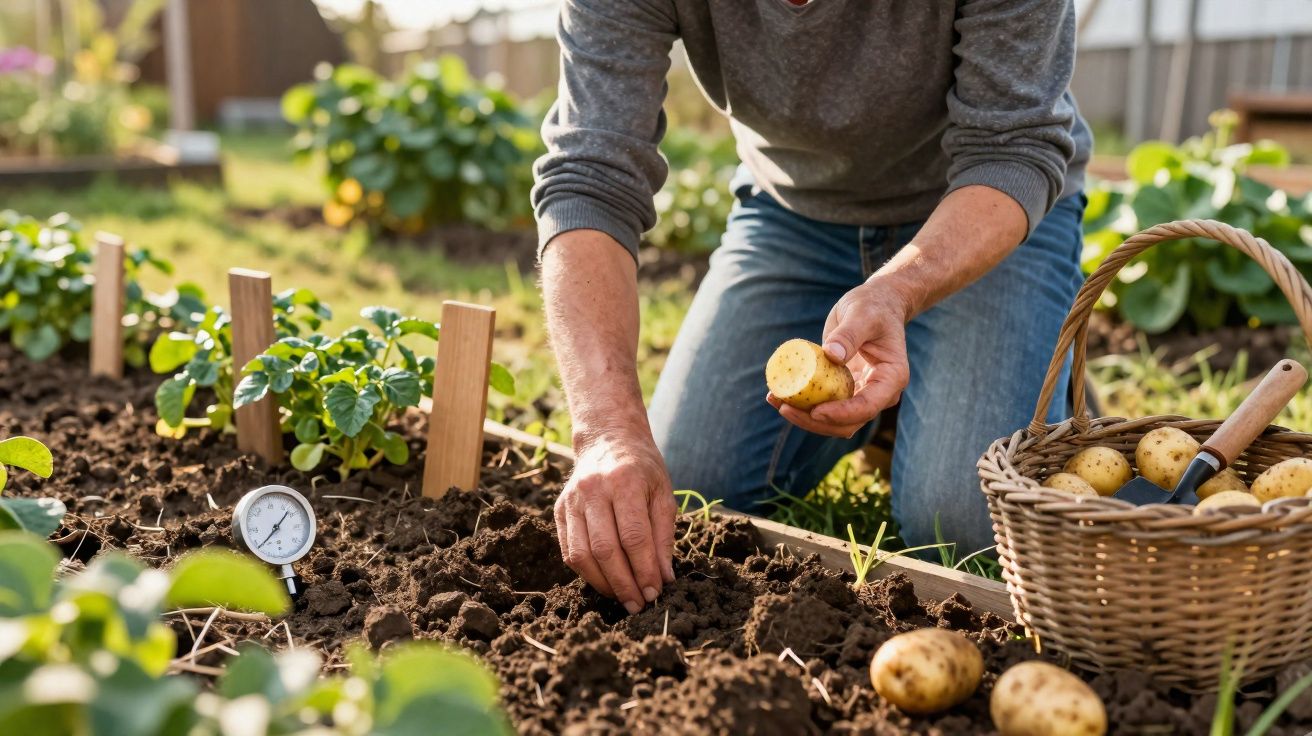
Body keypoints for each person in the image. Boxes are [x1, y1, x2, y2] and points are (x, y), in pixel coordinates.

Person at [533, 0, 1091, 615]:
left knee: (962, 522)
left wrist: (898, 289)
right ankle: (906, 408)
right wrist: (608, 431)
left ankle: (1004, 385)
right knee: (690, 488)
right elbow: (588, 178)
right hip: (794, 215)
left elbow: (1013, 148)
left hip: (982, 210)